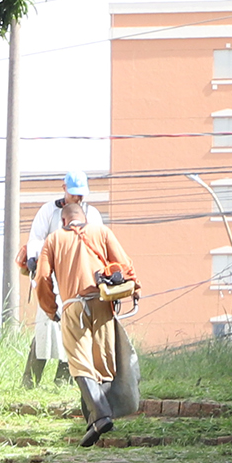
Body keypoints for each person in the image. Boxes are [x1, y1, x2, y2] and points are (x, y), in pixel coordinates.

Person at [35, 182, 141, 448]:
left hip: (73, 307)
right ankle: (97, 418)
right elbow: (125, 265)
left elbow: (42, 279)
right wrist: (135, 288)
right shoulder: (101, 231)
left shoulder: (54, 240)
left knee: (80, 363)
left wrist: (51, 309)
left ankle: (101, 413)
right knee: (103, 361)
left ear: (63, 220)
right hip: (102, 303)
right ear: (83, 218)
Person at [15, 172, 87, 389]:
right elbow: (36, 239)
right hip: (51, 276)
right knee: (46, 326)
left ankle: (62, 382)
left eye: (81, 195)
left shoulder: (90, 213)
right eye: (75, 195)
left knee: (73, 329)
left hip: (77, 280)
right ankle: (30, 382)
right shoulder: (48, 211)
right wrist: (35, 262)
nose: (79, 199)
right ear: (64, 188)